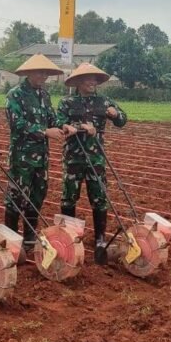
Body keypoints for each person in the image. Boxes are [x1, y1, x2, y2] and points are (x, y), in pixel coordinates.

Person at [55, 63, 127, 265]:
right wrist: (82, 128)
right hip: (73, 158)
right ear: (78, 82)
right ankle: (69, 238)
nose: (92, 82)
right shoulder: (67, 102)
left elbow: (123, 120)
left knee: (99, 197)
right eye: (88, 79)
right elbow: (60, 123)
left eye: (95, 79)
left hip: (96, 159)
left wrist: (115, 114)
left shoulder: (104, 102)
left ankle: (100, 240)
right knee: (69, 198)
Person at [4, 54, 71, 258]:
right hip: (22, 157)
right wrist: (44, 132)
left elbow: (52, 119)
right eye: (40, 72)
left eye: (46, 73)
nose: (44, 76)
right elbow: (17, 123)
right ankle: (12, 243)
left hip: (41, 157)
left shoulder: (44, 95)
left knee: (37, 195)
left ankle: (30, 240)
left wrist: (62, 126)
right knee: (16, 197)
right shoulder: (15, 95)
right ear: (29, 73)